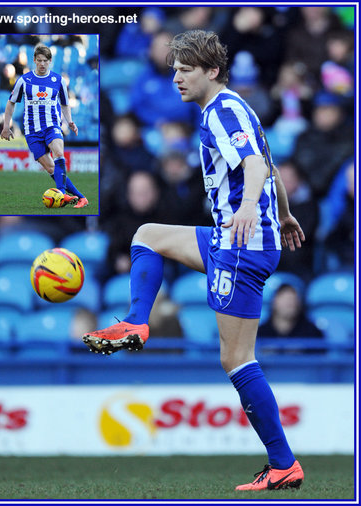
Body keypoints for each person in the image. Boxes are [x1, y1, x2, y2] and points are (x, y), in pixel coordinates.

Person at [82, 30, 305, 491]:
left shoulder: (223, 111)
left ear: (213, 71)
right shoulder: (230, 109)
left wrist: (249, 210)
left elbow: (258, 168)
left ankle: (283, 463)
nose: (177, 78)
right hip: (238, 235)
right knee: (147, 236)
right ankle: (136, 322)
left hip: (241, 242)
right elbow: (269, 163)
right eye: (174, 70)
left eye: (186, 70)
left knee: (237, 360)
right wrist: (282, 213)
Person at [0, 44, 88, 209]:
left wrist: (69, 121)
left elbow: (65, 104)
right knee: (51, 168)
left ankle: (61, 193)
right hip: (32, 131)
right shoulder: (24, 80)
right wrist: (6, 126)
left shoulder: (58, 80)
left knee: (59, 152)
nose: (41, 64)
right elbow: (11, 103)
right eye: (39, 60)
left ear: (50, 61)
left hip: (51, 126)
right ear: (34, 60)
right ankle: (80, 197)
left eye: (45, 61)